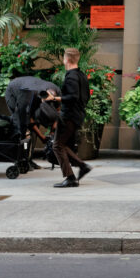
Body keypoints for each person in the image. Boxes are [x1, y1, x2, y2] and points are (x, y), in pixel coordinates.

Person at [45, 48, 92, 188]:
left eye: (64, 58)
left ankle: (71, 177)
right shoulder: (82, 75)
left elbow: (72, 97)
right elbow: (86, 96)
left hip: (69, 116)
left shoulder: (71, 76)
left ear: (67, 59)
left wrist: (54, 98)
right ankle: (82, 166)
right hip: (77, 115)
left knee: (57, 145)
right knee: (62, 145)